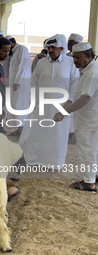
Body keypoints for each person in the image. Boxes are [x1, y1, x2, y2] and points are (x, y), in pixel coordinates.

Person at [18, 34, 79, 168]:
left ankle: (53, 162)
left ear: (62, 48)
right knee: (36, 132)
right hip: (41, 105)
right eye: (49, 47)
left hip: (61, 107)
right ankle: (33, 159)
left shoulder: (70, 63)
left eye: (53, 47)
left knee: (57, 136)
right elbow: (33, 81)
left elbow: (75, 84)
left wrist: (69, 103)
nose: (50, 50)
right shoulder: (42, 63)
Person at [53, 42, 98, 192]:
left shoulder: (92, 73)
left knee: (86, 151)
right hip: (89, 118)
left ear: (89, 56)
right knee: (92, 150)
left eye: (78, 58)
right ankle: (93, 176)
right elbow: (77, 96)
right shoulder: (87, 70)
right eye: (74, 58)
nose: (75, 61)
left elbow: (85, 98)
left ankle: (89, 182)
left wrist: (64, 113)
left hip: (89, 120)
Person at [5, 36, 32, 136]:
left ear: (11, 43)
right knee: (14, 106)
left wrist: (17, 81)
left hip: (21, 84)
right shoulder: (13, 52)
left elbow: (23, 66)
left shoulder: (22, 49)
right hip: (13, 84)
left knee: (20, 106)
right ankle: (19, 129)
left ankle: (23, 130)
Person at [66, 33, 83, 145]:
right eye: (69, 43)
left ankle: (72, 136)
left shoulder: (82, 57)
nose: (69, 45)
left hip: (78, 87)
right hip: (66, 87)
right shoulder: (66, 56)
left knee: (75, 113)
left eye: (72, 43)